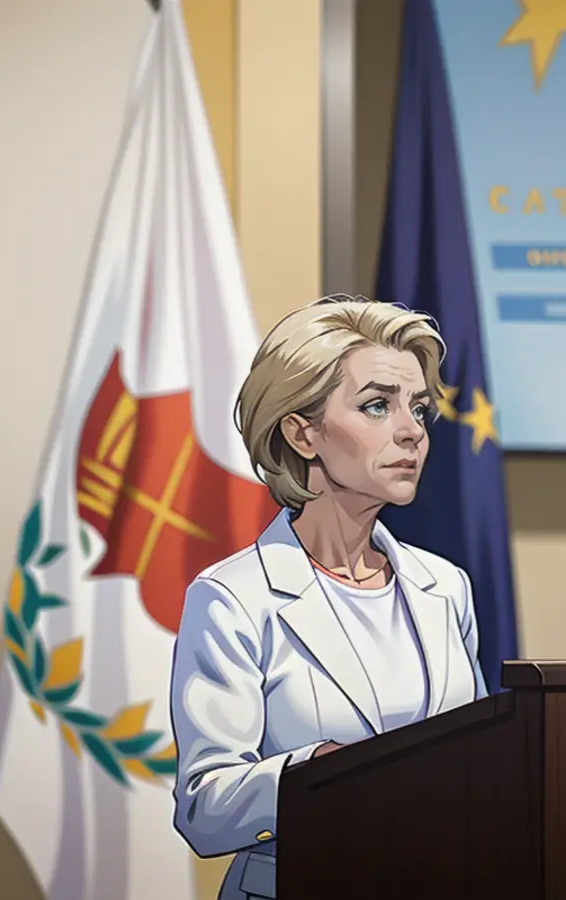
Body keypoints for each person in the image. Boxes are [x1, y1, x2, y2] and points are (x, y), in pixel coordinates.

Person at [168, 295, 489, 900]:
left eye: (419, 410)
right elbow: (205, 809)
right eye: (377, 406)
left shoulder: (443, 586)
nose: (411, 432)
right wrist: (320, 771)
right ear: (302, 432)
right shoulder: (234, 598)